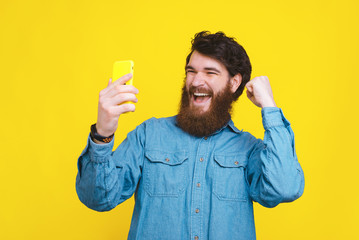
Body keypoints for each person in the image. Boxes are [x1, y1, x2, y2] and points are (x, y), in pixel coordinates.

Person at [76, 31, 305, 240]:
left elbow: (283, 188)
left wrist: (270, 107)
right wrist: (103, 133)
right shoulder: (149, 135)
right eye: (191, 71)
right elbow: (98, 198)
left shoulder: (250, 149)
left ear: (234, 83)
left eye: (210, 72)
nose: (196, 81)